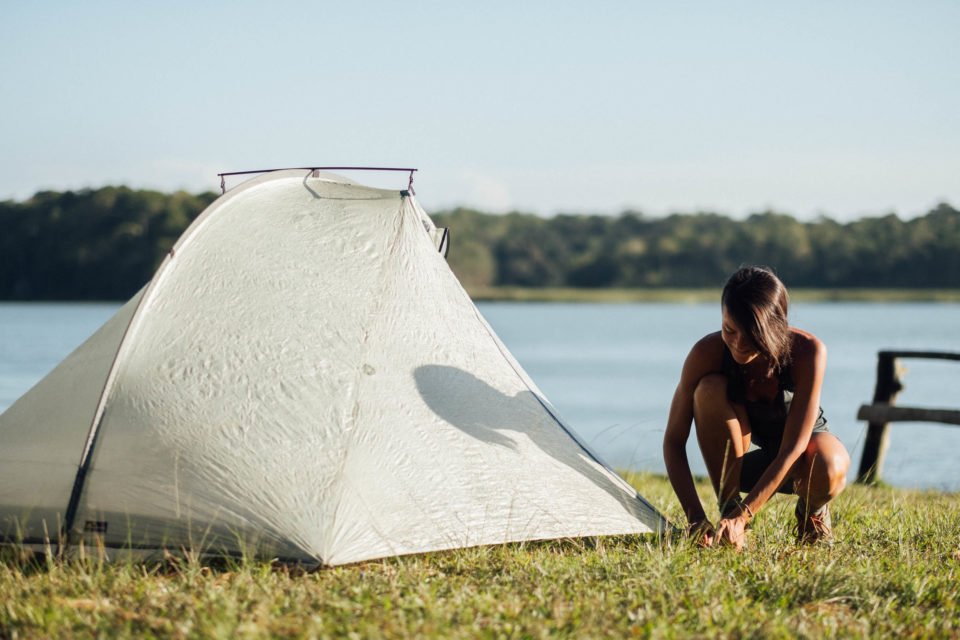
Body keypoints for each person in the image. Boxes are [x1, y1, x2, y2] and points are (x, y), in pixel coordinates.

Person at [662, 266, 850, 549]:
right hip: (744, 463)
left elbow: (793, 447)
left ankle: (811, 513)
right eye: (729, 330)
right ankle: (727, 506)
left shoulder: (808, 351)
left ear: (778, 325)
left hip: (802, 457)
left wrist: (745, 516)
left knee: (830, 465)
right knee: (708, 389)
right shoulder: (705, 353)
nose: (738, 344)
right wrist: (695, 518)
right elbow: (674, 442)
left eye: (752, 337)